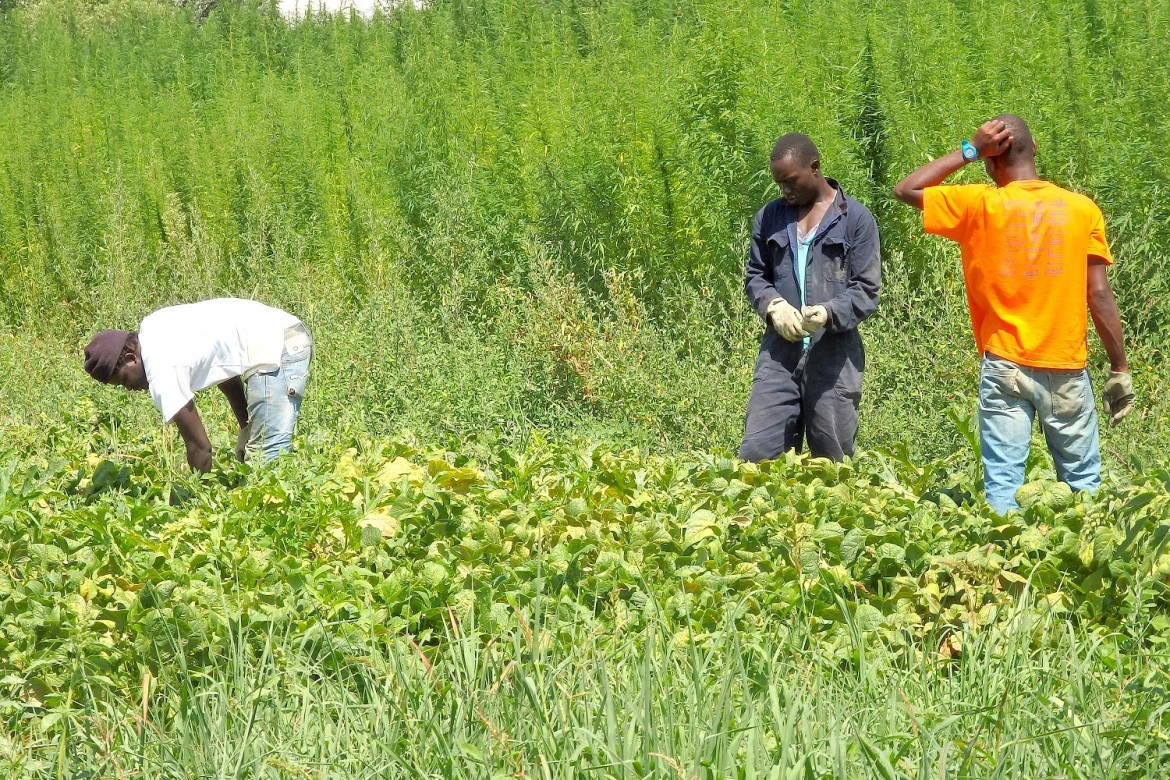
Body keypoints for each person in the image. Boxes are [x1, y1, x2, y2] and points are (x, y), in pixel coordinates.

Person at [892, 115, 1135, 512]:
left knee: (1004, 484)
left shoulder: (979, 204)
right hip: (1066, 364)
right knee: (1083, 485)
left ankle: (1003, 562)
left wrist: (969, 149)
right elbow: (1099, 292)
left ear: (991, 162)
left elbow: (906, 189)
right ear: (1035, 150)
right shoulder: (1081, 210)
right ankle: (1088, 566)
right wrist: (1119, 367)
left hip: (1004, 363)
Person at [739, 133, 882, 462]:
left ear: (814, 168)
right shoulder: (771, 217)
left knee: (831, 464)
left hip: (833, 359)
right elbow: (756, 276)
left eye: (790, 181)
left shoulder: (856, 220)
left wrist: (828, 313)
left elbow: (866, 289)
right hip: (779, 357)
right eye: (779, 184)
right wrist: (773, 306)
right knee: (757, 456)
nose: (785, 191)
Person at [83, 298, 312, 472]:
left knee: (268, 462)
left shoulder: (161, 370)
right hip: (280, 332)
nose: (129, 389)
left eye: (124, 380)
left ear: (131, 358)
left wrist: (190, 507)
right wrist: (246, 427)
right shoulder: (153, 326)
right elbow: (222, 365)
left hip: (278, 345)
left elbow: (200, 448)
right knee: (264, 457)